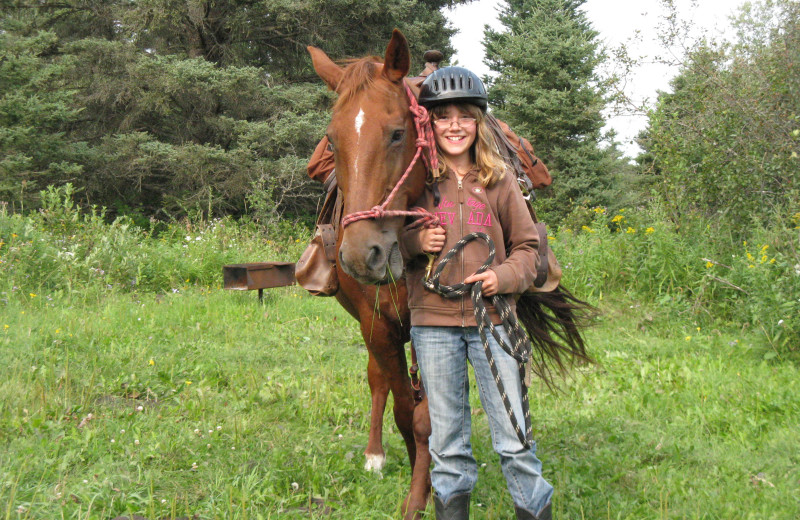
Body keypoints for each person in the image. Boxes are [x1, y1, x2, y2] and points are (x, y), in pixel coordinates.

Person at [400, 67, 554, 520]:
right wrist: (415, 242)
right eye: (442, 115)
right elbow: (390, 242)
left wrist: (501, 278)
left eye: (464, 116)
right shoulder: (416, 183)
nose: (453, 125)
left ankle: (533, 509)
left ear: (478, 122)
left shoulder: (499, 180)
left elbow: (528, 248)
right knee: (447, 444)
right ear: (428, 123)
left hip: (495, 321)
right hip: (433, 325)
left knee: (514, 437)